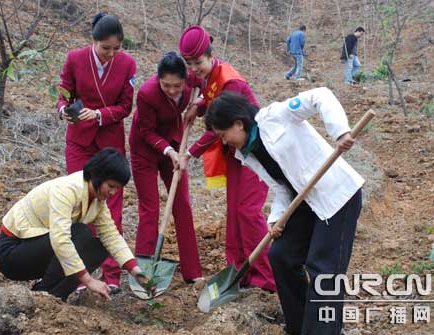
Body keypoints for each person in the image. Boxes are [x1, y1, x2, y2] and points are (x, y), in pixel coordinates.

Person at [205, 88, 364, 335]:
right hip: (305, 202)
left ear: (238, 123)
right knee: (281, 255)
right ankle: (299, 326)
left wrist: (339, 131)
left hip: (336, 196)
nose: (224, 142)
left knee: (323, 268)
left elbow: (320, 95)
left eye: (223, 135)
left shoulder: (275, 116)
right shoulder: (247, 153)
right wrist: (276, 218)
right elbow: (280, 187)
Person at [177, 25, 276, 292]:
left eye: (198, 62)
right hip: (235, 151)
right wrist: (197, 105)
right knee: (234, 211)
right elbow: (200, 93)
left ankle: (266, 278)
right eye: (189, 63)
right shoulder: (203, 76)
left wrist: (189, 153)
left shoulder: (230, 81)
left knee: (248, 211)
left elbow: (216, 128)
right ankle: (239, 271)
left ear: (211, 55)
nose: (194, 69)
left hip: (256, 149)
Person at [0, 148, 152, 301]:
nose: (112, 193)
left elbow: (111, 235)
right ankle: (43, 296)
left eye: (117, 189)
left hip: (35, 249)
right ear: (97, 175)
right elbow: (60, 239)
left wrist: (136, 272)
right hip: (12, 252)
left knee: (99, 248)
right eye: (110, 186)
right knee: (80, 234)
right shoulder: (67, 190)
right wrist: (89, 281)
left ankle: (51, 297)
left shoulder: (97, 201)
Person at [57, 13, 136, 292]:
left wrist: (100, 114)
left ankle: (112, 276)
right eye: (106, 48)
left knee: (110, 208)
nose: (111, 54)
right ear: (94, 41)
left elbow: (126, 106)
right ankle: (81, 277)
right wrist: (63, 111)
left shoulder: (127, 64)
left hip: (109, 141)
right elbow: (63, 94)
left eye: (117, 48)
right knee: (79, 205)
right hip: (79, 141)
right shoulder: (75, 59)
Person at [129, 52, 203, 283]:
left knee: (182, 204)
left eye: (177, 86)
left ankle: (193, 273)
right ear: (158, 79)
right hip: (145, 148)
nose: (172, 90)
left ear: (185, 79)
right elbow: (147, 131)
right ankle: (142, 269)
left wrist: (198, 106)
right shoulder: (146, 94)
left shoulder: (193, 79)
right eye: (166, 85)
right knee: (150, 208)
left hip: (175, 143)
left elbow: (207, 90)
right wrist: (168, 151)